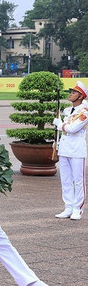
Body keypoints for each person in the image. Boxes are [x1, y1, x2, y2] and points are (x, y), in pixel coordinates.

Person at [52, 80, 88, 220]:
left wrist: (60, 124)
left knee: (78, 180)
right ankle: (68, 206)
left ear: (80, 96)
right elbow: (65, 129)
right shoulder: (67, 110)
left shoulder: (84, 112)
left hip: (77, 149)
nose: (71, 94)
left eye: (74, 92)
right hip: (65, 147)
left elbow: (73, 129)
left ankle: (77, 209)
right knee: (65, 179)